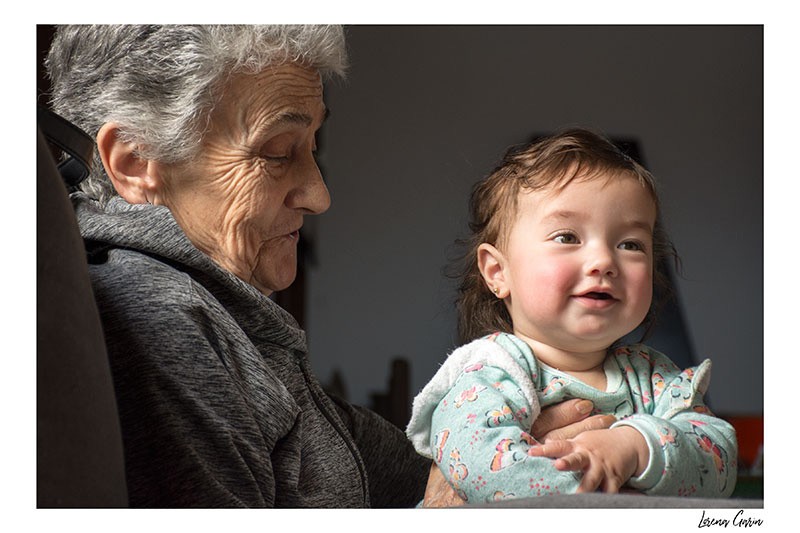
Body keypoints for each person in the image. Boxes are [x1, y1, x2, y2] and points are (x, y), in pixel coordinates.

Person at [44, 24, 609, 508]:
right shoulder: (168, 321)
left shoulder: (241, 328)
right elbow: (434, 496)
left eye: (313, 144)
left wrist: (498, 452)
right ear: (136, 162)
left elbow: (416, 477)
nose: (319, 195)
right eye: (277, 151)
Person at [406, 128, 738, 504]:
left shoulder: (653, 378)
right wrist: (610, 499)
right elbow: (487, 470)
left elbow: (719, 460)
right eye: (567, 237)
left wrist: (635, 446)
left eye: (630, 244)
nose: (603, 261)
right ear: (498, 272)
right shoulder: (491, 372)